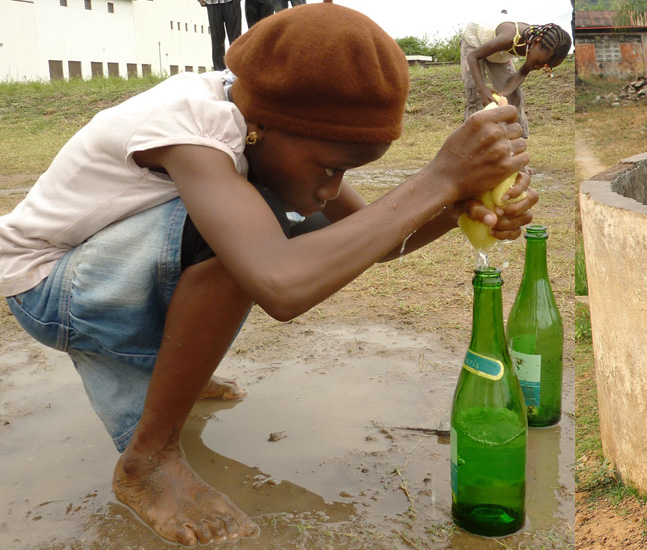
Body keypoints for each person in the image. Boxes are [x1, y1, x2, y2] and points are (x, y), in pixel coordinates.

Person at [0, 3, 535, 545]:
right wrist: (441, 177)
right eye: (329, 169)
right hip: (45, 286)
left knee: (262, 227)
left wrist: (459, 207)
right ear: (260, 129)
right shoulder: (193, 127)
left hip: (109, 273)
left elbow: (373, 242)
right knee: (243, 240)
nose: (332, 188)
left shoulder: (267, 119)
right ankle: (149, 459)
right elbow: (280, 285)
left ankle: (174, 367)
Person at [460, 21, 572, 137]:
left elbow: (523, 72)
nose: (537, 67)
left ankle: (516, 139)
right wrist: (482, 89)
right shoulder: (509, 37)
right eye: (540, 62)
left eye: (545, 66)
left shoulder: (533, 45)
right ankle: (471, 140)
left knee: (514, 94)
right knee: (476, 94)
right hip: (475, 43)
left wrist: (506, 93)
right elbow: (473, 57)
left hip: (499, 51)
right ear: (536, 43)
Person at [199, 0, 242, 71]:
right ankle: (219, 72)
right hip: (212, 3)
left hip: (232, 2)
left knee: (235, 38)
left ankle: (238, 69)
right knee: (216, 39)